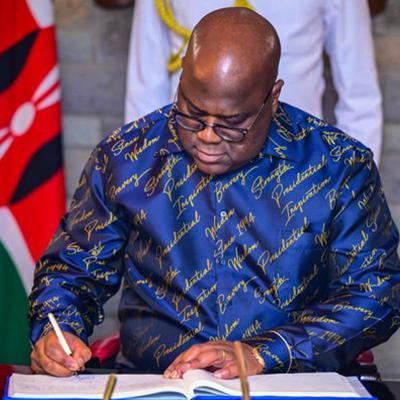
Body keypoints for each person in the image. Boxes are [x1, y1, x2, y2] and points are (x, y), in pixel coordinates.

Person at [29, 8, 399, 378]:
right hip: (152, 385)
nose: (207, 136)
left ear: (272, 97)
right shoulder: (127, 157)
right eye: (192, 112)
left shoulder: (339, 166)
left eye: (231, 124)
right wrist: (55, 331)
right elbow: (72, 271)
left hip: (290, 386)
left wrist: (265, 353)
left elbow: (377, 293)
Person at [125, 0, 383, 165]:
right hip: (189, 161)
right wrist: (149, 176)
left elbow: (359, 96)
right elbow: (145, 87)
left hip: (295, 169)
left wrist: (349, 185)